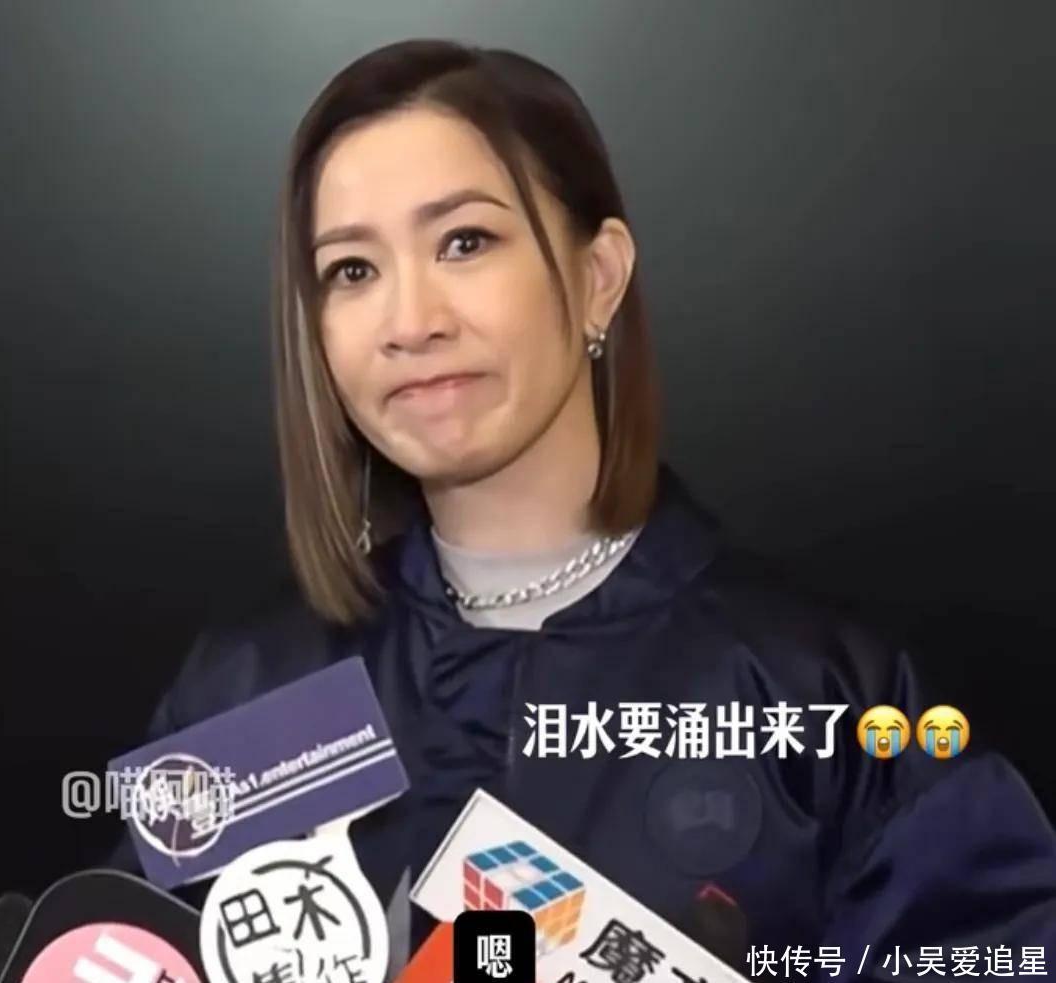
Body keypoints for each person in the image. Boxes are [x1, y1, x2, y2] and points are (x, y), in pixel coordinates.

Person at [112, 39, 1056, 978]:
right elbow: (109, 944)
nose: (410, 321)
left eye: (465, 242)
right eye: (352, 270)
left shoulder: (826, 697)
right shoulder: (252, 694)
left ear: (598, 276)